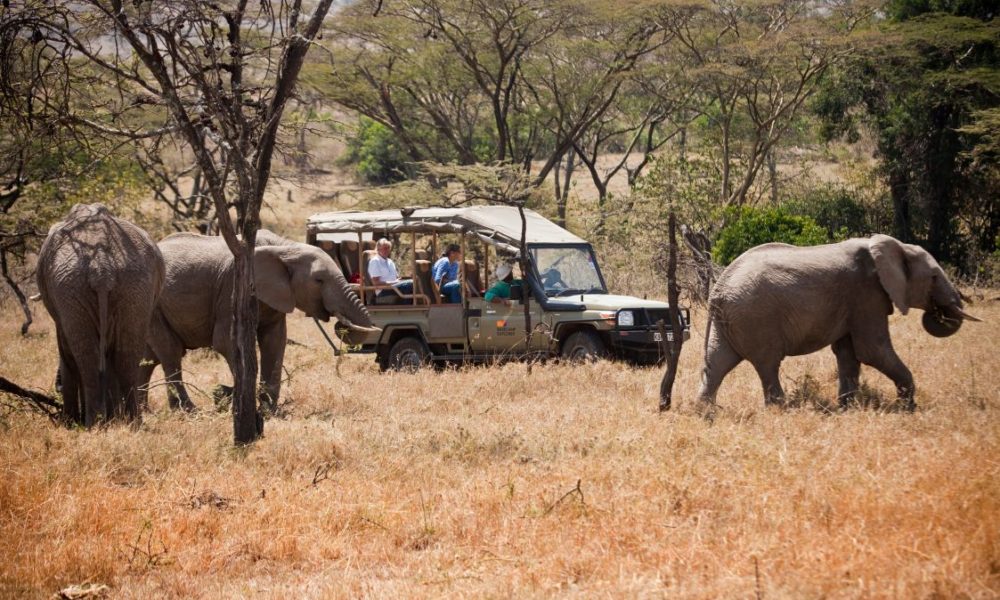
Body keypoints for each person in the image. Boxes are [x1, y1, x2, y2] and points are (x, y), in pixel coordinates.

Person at [368, 238, 413, 303]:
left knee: (413, 282)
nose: (387, 250)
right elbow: (375, 283)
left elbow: (397, 278)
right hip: (384, 291)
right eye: (385, 248)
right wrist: (394, 282)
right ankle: (407, 308)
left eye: (388, 248)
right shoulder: (375, 261)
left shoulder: (390, 261)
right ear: (378, 249)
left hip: (394, 287)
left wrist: (400, 280)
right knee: (409, 284)